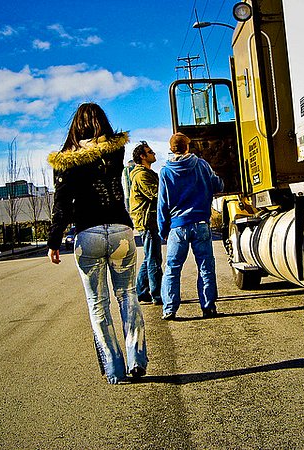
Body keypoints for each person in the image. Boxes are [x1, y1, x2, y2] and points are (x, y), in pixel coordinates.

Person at [46, 103, 148, 384]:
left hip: (87, 234)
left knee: (98, 303)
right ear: (102, 122)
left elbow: (62, 205)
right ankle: (136, 358)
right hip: (120, 231)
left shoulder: (66, 160)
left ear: (75, 126)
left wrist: (54, 240)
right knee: (127, 295)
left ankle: (114, 369)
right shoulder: (116, 150)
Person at [157, 132, 224, 320]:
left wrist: (163, 229)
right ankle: (208, 306)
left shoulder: (165, 172)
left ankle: (169, 309)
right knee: (205, 266)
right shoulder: (202, 165)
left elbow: (162, 204)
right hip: (201, 224)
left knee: (172, 269)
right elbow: (218, 185)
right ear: (187, 147)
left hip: (177, 228)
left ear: (172, 149)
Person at [129, 141, 163, 305]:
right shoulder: (142, 175)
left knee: (150, 258)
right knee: (154, 260)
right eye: (150, 152)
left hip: (150, 221)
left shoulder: (148, 173)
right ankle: (157, 295)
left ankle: (141, 291)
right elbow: (156, 194)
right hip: (147, 222)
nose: (154, 153)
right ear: (142, 156)